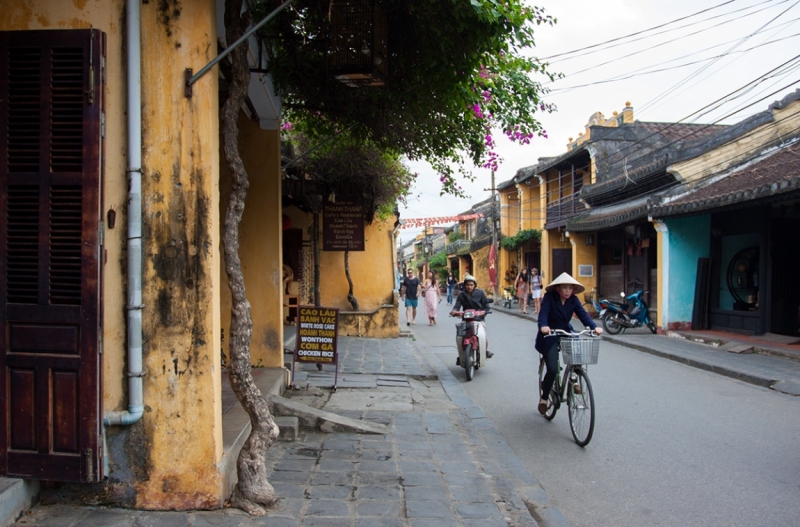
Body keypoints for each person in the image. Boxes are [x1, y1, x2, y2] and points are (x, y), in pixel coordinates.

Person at [535, 272, 603, 415]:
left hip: (566, 331)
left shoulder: (574, 300)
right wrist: (543, 326)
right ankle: (544, 398)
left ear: (573, 289)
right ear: (558, 288)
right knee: (553, 369)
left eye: (570, 288)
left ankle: (574, 378)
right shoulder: (549, 298)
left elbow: (583, 315)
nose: (567, 291)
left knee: (577, 355)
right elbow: (543, 314)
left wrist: (593, 327)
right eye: (564, 287)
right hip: (550, 334)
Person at [450, 274, 494, 361]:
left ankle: (486, 350)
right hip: (466, 319)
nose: (469, 287)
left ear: (474, 285)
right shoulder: (461, 295)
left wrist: (483, 313)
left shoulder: (480, 293)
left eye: (471, 285)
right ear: (464, 285)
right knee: (459, 336)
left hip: (478, 319)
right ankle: (461, 354)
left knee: (483, 335)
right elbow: (457, 306)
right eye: (467, 285)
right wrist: (454, 311)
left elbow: (486, 306)